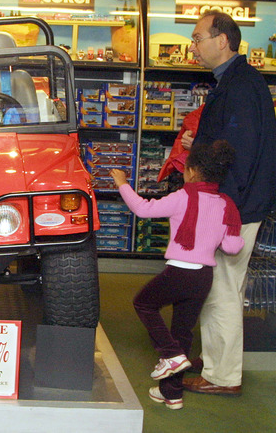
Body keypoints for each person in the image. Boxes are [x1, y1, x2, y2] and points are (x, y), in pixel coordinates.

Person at [180, 10, 276, 396]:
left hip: (235, 203)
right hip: (237, 200)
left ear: (222, 40)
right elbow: (232, 144)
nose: (193, 46)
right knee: (218, 285)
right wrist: (202, 146)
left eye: (197, 38)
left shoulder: (240, 85)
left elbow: (241, 153)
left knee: (222, 287)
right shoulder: (238, 81)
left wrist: (224, 211)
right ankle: (215, 361)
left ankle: (222, 377)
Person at [109, 140, 244, 410]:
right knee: (183, 330)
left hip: (179, 272)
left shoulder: (183, 197)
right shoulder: (226, 204)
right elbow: (231, 246)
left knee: (144, 303)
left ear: (192, 172)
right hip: (204, 276)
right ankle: (172, 393)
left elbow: (143, 209)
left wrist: (123, 183)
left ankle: (170, 355)